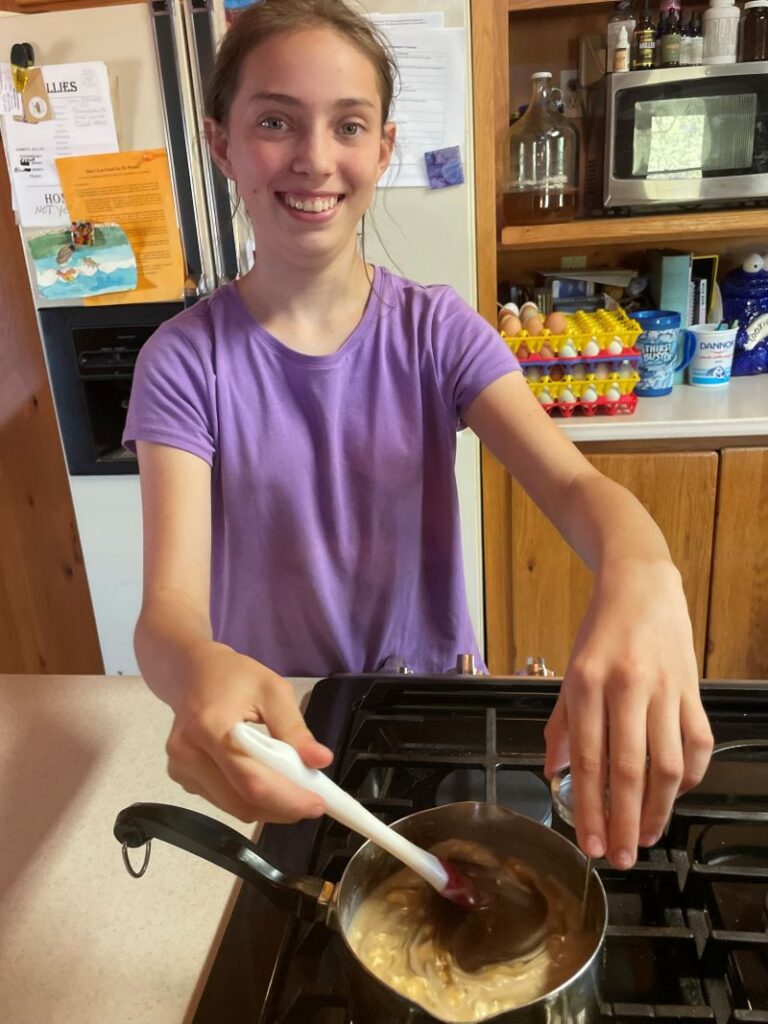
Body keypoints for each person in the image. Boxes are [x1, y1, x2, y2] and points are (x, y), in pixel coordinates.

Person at [123, 0, 713, 871]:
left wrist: (644, 568)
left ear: (384, 150)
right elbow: (165, 617)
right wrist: (191, 672)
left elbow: (579, 489)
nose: (315, 159)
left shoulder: (438, 331)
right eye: (275, 121)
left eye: (348, 124)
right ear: (222, 145)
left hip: (429, 705)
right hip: (283, 731)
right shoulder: (182, 361)